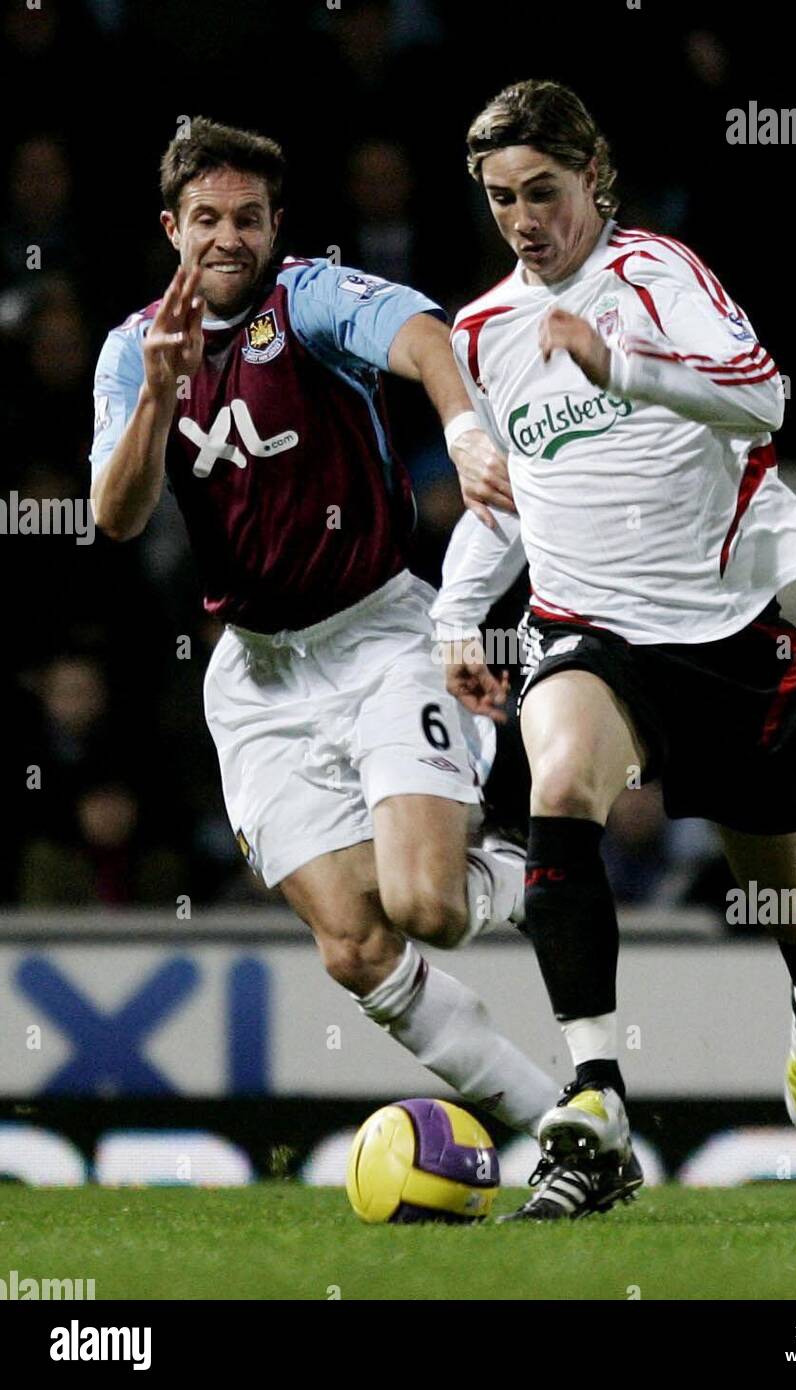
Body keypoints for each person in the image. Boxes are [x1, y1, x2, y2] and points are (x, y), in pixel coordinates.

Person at [89, 116, 559, 1139]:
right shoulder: (133, 352)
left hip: (383, 636)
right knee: (355, 944)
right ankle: (559, 1123)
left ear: (274, 225)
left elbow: (426, 338)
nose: (228, 238)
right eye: (206, 218)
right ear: (171, 227)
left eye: (247, 219)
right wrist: (156, 399)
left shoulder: (308, 298)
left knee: (428, 905)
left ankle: (547, 870)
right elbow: (114, 516)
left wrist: (465, 425)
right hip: (255, 678)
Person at [436, 79, 796, 1219]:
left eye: (544, 191)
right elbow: (509, 501)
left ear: (594, 180)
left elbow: (764, 400)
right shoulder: (481, 330)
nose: (524, 219)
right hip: (583, 626)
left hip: (719, 635)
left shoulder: (656, 278)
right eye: (501, 197)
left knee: (794, 910)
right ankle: (594, 1094)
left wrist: (619, 367)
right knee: (559, 780)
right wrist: (456, 617)